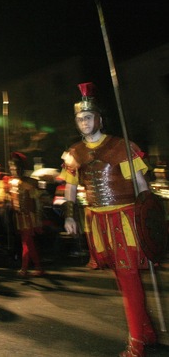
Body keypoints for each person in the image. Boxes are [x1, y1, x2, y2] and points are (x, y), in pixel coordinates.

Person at [61, 82, 156, 357]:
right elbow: (69, 188)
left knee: (128, 278)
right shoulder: (74, 152)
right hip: (96, 220)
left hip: (124, 217)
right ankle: (147, 331)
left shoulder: (120, 145)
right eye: (79, 118)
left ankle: (137, 342)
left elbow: (141, 184)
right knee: (121, 277)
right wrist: (70, 215)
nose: (84, 122)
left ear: (99, 118)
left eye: (88, 117)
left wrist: (148, 218)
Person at [8, 151, 44, 277]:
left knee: (26, 242)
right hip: (18, 217)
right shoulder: (11, 183)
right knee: (29, 243)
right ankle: (38, 267)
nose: (13, 169)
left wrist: (38, 220)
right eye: (11, 167)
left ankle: (24, 268)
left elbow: (38, 202)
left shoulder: (30, 183)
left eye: (15, 167)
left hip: (29, 217)